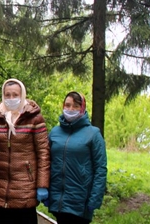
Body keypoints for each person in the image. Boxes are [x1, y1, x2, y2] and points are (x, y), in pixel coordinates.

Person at [0, 78, 50, 224]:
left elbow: (43, 153)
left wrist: (42, 185)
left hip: (25, 187)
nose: (11, 99)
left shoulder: (34, 118)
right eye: (7, 95)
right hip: (0, 186)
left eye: (15, 95)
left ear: (22, 95)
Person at [48, 91, 107, 224]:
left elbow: (100, 169)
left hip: (81, 202)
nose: (70, 109)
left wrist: (95, 199)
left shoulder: (93, 134)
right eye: (67, 105)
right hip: (58, 201)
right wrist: (45, 189)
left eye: (75, 106)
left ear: (82, 108)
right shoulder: (55, 132)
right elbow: (46, 163)